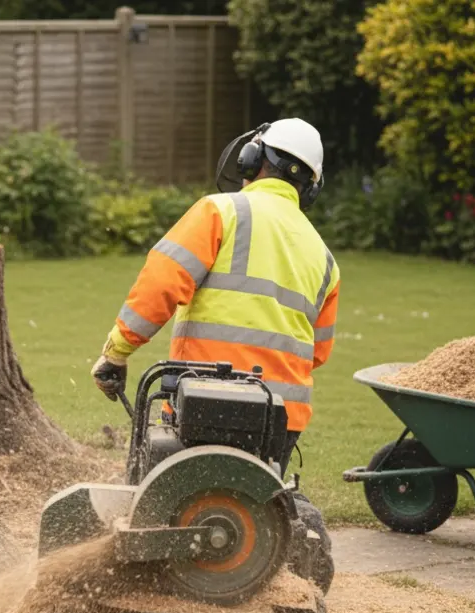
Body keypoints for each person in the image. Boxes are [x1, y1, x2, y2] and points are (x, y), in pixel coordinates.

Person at [90, 118, 340, 475]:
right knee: (252, 513)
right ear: (310, 189)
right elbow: (318, 352)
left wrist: (116, 353)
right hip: (280, 420)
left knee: (177, 509)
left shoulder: (220, 212)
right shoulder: (325, 258)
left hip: (203, 405)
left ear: (252, 159)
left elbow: (160, 284)